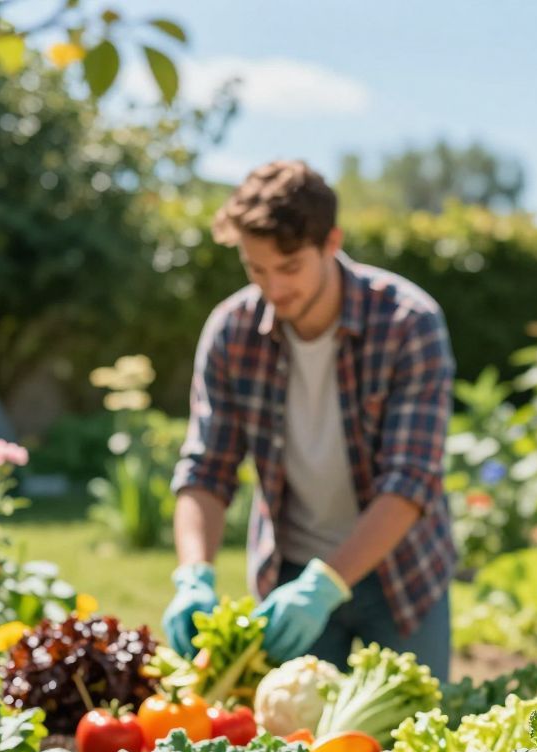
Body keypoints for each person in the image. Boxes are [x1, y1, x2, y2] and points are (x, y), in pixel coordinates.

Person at [162, 159, 456, 682]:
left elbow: (410, 480)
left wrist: (326, 586)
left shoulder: (408, 323)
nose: (273, 288)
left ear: (331, 242)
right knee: (300, 750)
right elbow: (207, 468)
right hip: (289, 574)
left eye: (290, 267)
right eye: (256, 269)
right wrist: (193, 574)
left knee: (410, 749)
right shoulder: (233, 332)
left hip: (401, 574)